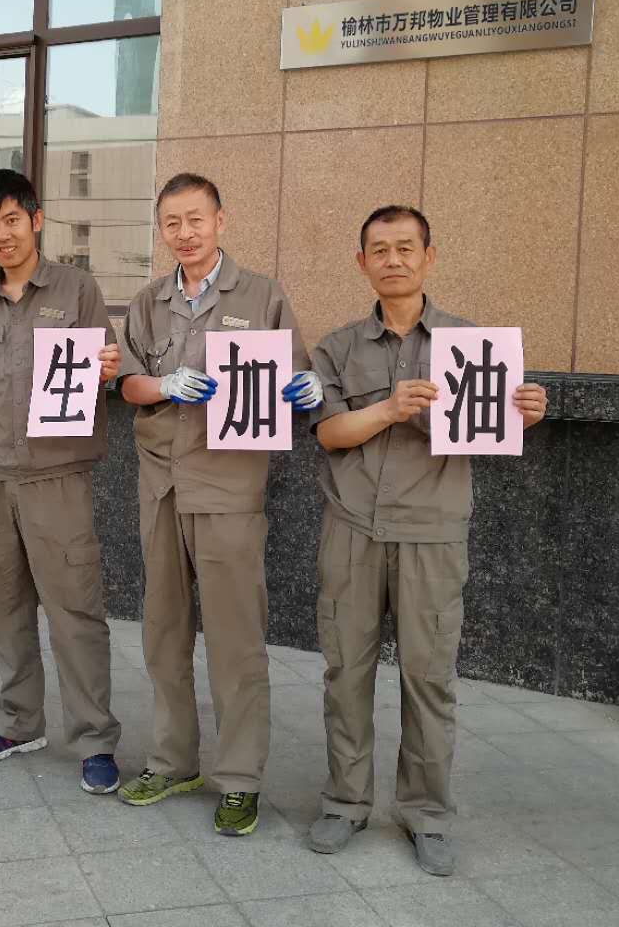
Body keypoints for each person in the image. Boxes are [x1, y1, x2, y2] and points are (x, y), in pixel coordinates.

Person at [305, 205, 547, 875]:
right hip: (352, 528)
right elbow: (328, 433)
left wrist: (524, 415)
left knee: (429, 678)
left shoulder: (471, 344)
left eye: (406, 247)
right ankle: (345, 802)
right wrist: (387, 408)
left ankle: (427, 814)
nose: (393, 259)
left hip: (433, 533)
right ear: (362, 263)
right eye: (379, 249)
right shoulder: (337, 347)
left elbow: (492, 431)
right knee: (345, 673)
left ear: (429, 257)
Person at [115, 172, 321, 836]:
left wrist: (306, 388)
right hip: (162, 486)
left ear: (220, 221)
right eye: (172, 222)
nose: (185, 233)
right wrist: (161, 384)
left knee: (235, 640)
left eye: (196, 219)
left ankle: (239, 780)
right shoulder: (148, 302)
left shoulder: (262, 295)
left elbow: (295, 371)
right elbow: (127, 384)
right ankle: (173, 761)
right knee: (163, 632)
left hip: (229, 488)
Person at [0, 169, 123, 795]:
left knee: (75, 611)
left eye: (12, 220)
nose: (2, 234)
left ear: (36, 220)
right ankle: (20, 722)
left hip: (56, 478)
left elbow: (103, 368)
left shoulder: (77, 289)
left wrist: (107, 370)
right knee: (2, 606)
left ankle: (94, 738)